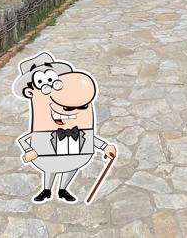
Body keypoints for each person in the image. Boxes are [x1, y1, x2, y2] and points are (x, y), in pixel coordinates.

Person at [14, 51, 116, 203]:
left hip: (76, 155)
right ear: (30, 92)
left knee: (71, 167)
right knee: (49, 168)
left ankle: (63, 189)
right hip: (46, 156)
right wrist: (29, 151)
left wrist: (105, 146)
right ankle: (46, 190)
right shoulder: (43, 115)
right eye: (44, 85)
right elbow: (25, 140)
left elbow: (89, 138)